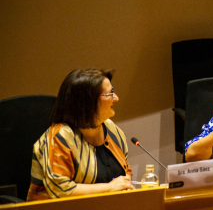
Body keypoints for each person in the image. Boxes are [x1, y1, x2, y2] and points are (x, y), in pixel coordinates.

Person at [27, 68, 134, 201]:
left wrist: (124, 183)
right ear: (87, 102)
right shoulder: (59, 138)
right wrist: (109, 188)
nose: (116, 98)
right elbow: (61, 190)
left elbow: (125, 171)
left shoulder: (112, 129)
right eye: (110, 93)